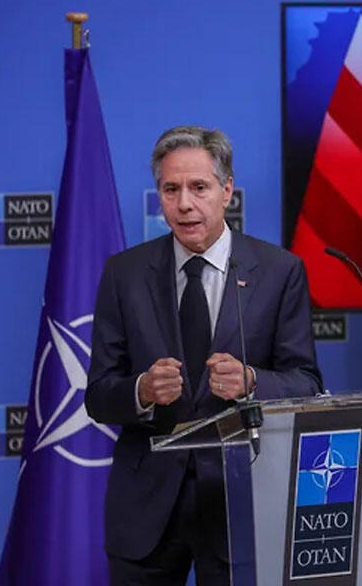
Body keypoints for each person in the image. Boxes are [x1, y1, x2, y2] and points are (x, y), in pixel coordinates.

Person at [85, 126, 322, 585]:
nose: (184, 204)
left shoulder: (279, 271)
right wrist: (142, 390)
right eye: (170, 189)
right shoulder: (124, 274)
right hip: (147, 507)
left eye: (199, 187)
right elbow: (98, 395)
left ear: (226, 190)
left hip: (241, 498)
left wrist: (252, 382)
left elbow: (307, 383)